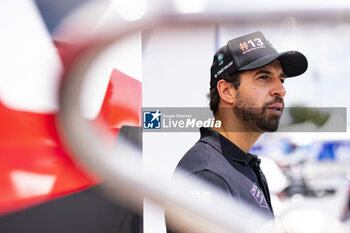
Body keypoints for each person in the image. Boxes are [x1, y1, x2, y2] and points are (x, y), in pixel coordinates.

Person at [167, 31, 308, 231]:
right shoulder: (207, 175)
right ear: (227, 91)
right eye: (264, 77)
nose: (281, 90)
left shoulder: (243, 164)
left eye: (281, 80)